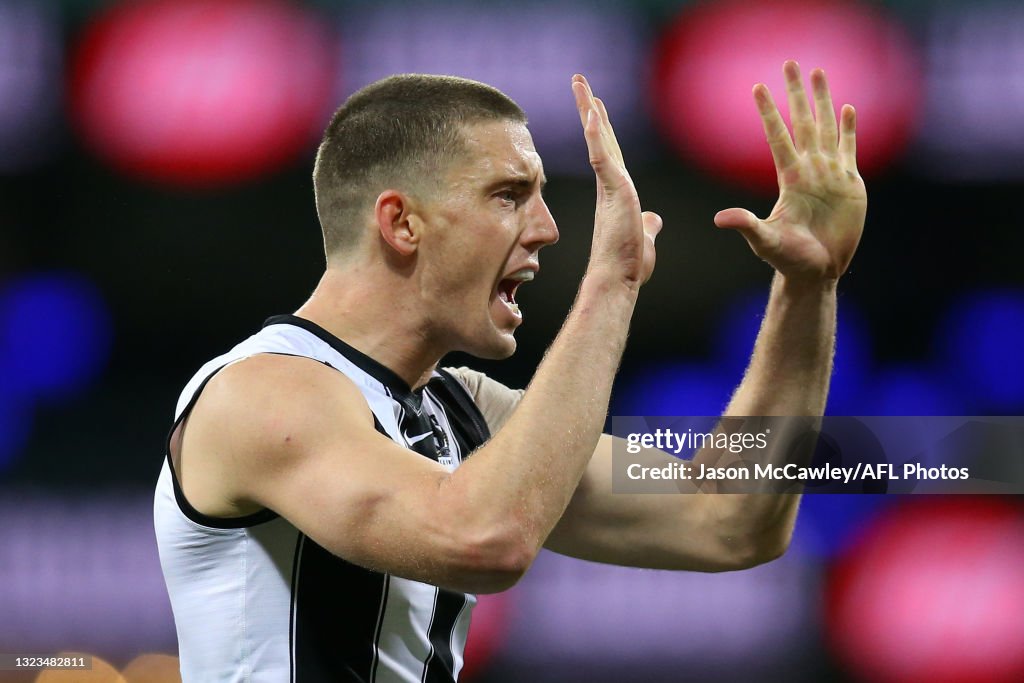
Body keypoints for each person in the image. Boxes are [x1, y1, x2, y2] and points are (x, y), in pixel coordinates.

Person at [154, 61, 865, 682]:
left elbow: (729, 516)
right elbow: (483, 536)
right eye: (508, 194)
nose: (549, 227)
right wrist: (611, 284)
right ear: (402, 224)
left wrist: (807, 289)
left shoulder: (458, 408)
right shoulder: (265, 394)